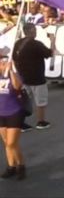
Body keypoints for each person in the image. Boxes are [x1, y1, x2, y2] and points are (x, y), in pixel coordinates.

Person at [12, 23, 52, 131]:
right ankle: (41, 121)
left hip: (24, 77)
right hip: (37, 78)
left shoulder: (18, 43)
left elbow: (14, 59)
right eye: (34, 30)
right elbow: (49, 53)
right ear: (30, 31)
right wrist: (53, 41)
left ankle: (21, 122)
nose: (36, 32)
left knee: (24, 101)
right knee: (41, 101)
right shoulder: (36, 44)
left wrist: (19, 72)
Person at [0, 51, 26, 180]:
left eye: (4, 62)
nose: (2, 64)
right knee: (7, 143)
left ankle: (21, 166)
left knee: (11, 143)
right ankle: (11, 166)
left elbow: (17, 86)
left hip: (14, 112)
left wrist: (10, 71)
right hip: (1, 113)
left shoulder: (15, 75)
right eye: (1, 63)